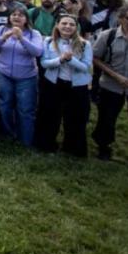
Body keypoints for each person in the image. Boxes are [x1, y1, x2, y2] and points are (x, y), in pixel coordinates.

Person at [0, 6, 44, 147]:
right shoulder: (1, 29)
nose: (17, 17)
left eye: (20, 15)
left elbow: (37, 52)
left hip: (26, 76)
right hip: (4, 73)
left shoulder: (34, 33)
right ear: (9, 17)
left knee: (25, 108)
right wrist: (4, 37)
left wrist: (21, 38)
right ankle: (8, 135)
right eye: (14, 15)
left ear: (26, 19)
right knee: (4, 104)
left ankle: (26, 140)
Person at [35, 14, 93, 157]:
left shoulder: (85, 44)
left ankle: (73, 148)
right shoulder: (48, 41)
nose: (67, 26)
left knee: (76, 117)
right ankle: (47, 145)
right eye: (64, 23)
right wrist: (60, 60)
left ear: (76, 27)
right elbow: (44, 63)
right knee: (50, 115)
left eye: (71, 24)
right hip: (54, 83)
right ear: (58, 25)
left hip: (77, 86)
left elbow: (85, 67)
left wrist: (71, 60)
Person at [91, 4, 128, 161]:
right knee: (107, 119)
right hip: (111, 85)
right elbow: (95, 58)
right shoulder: (108, 35)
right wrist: (116, 76)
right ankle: (103, 147)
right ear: (120, 19)